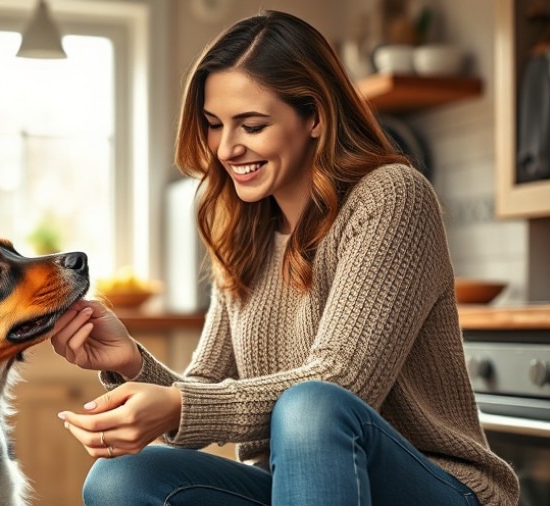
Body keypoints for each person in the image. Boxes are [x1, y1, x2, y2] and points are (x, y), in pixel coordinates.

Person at [49, 9, 519, 506]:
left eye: (251, 125)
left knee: (310, 405)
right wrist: (134, 365)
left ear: (314, 116)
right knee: (119, 479)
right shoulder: (245, 229)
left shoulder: (392, 197)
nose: (227, 148)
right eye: (213, 125)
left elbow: (341, 382)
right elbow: (204, 394)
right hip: (296, 490)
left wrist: (177, 404)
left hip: (436, 489)